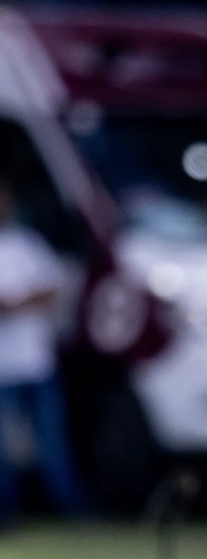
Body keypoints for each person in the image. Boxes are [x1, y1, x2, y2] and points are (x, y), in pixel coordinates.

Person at [0, 181, 84, 525]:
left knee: (54, 442)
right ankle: (7, 513)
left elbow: (54, 289)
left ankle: (70, 509)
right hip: (3, 368)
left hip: (36, 363)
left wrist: (18, 303)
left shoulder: (28, 244)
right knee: (3, 449)